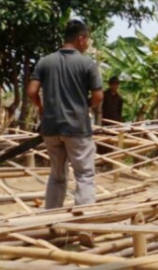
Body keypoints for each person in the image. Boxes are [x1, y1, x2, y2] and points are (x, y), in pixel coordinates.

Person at [27, 19, 103, 247]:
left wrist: (42, 108)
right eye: (87, 39)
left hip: (51, 128)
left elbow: (32, 91)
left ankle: (50, 223)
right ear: (80, 38)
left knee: (57, 176)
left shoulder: (45, 61)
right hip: (77, 129)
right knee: (85, 175)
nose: (87, 43)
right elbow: (99, 97)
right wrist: (85, 108)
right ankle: (84, 226)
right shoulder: (87, 64)